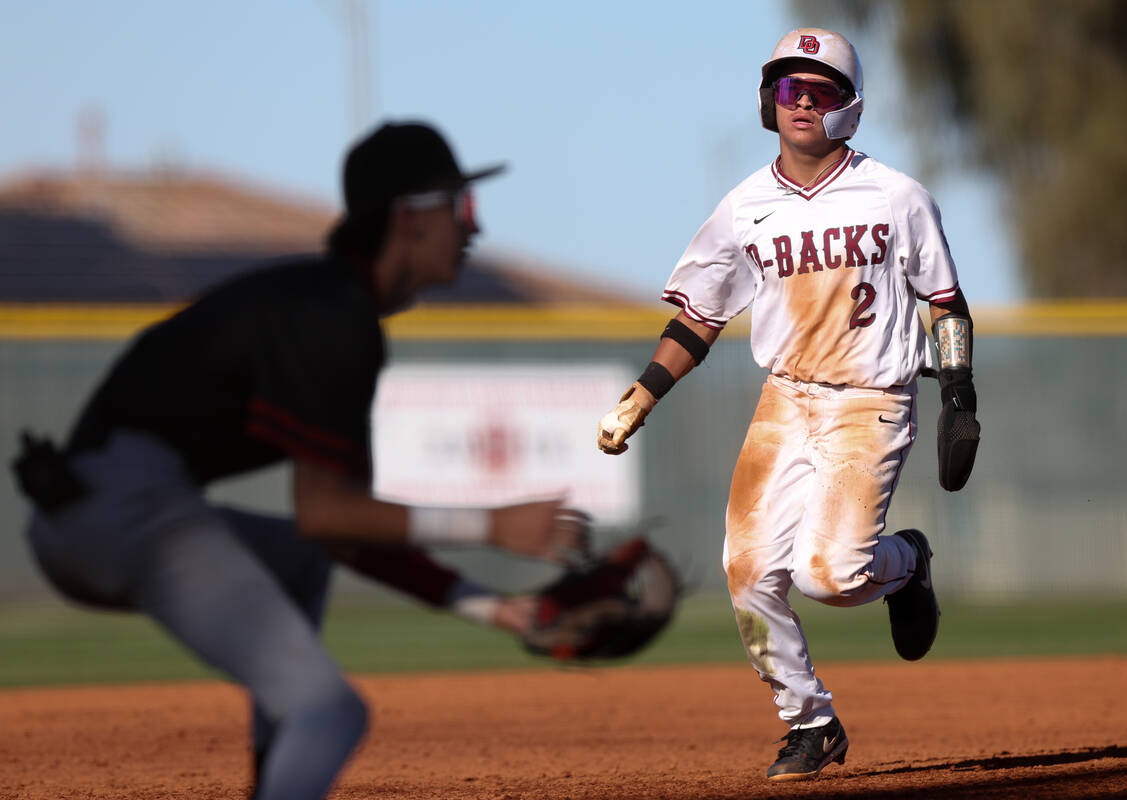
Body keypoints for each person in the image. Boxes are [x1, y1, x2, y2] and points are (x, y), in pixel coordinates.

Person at [12, 121, 589, 800]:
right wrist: (491, 526)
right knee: (332, 711)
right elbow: (326, 512)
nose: (473, 229)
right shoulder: (331, 316)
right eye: (460, 206)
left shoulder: (329, 308)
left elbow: (340, 532)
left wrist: (493, 608)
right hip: (122, 508)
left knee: (300, 565)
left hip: (94, 509)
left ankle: (270, 768)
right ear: (409, 217)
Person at [597, 28, 980, 781]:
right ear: (769, 103)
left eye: (822, 88)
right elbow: (699, 316)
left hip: (870, 401)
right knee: (747, 571)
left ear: (851, 108)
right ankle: (810, 722)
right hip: (785, 401)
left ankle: (906, 565)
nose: (803, 99)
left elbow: (946, 302)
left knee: (830, 578)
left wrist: (959, 392)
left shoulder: (897, 197)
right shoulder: (744, 208)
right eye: (787, 87)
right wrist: (644, 391)